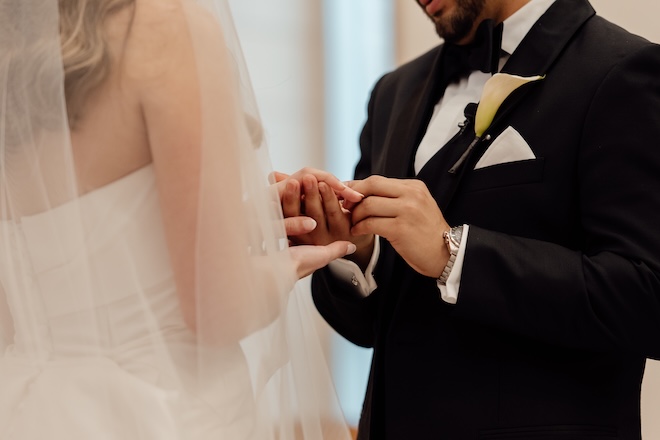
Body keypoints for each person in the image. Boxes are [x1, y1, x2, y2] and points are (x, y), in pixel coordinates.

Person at [280, 0, 660, 438]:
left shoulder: (623, 70)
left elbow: (647, 298)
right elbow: (369, 331)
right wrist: (353, 252)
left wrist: (454, 254)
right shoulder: (392, 91)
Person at [0, 0, 359, 438]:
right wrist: (290, 264)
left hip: (30, 407)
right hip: (160, 406)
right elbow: (219, 310)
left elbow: (30, 290)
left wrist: (237, 219)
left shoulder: (13, 55)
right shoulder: (164, 32)